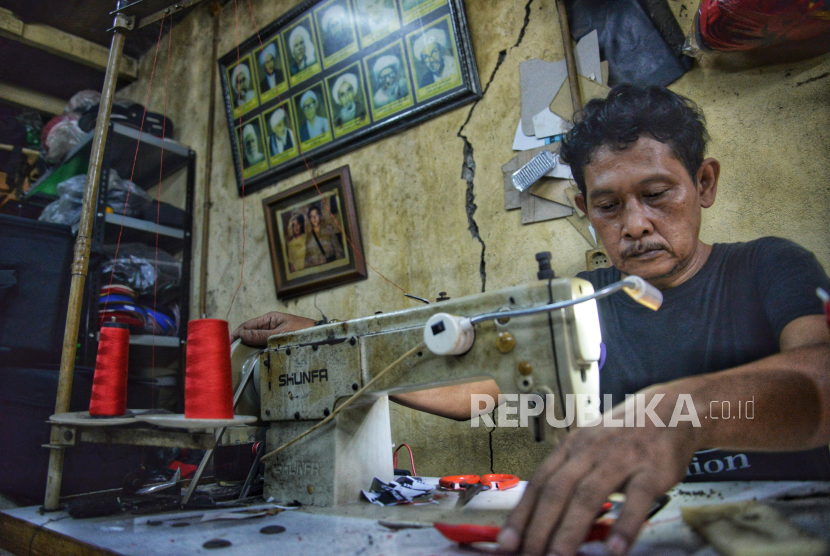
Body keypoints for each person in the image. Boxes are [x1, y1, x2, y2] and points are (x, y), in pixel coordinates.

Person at [230, 85, 830, 556]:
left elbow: (820, 378)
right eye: (609, 205)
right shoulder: (573, 301)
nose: (637, 223)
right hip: (636, 530)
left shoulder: (769, 267)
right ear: (582, 209)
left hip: (784, 524)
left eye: (657, 193)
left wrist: (681, 414)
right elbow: (486, 389)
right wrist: (331, 347)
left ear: (704, 184)